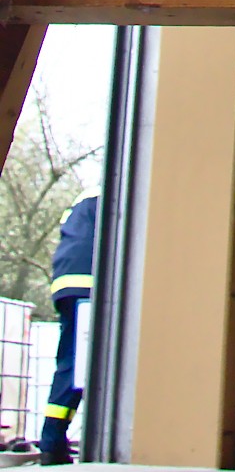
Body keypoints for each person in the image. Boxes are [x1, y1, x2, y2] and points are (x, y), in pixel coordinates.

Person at [39, 191, 97, 466]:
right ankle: (51, 441)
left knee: (71, 363)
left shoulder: (83, 199)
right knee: (79, 364)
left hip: (66, 283)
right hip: (90, 282)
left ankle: (53, 441)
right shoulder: (119, 190)